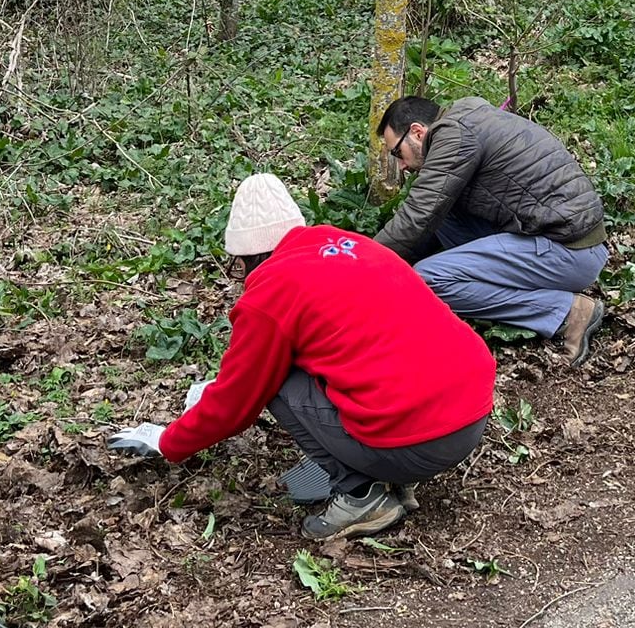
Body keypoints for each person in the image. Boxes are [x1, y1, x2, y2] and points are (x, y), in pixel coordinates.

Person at [109, 174, 497, 542]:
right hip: (471, 413)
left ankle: (363, 496)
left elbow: (236, 402)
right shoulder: (353, 246)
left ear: (250, 256)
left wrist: (169, 440)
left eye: (237, 265)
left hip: (419, 439)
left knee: (276, 380)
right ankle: (398, 473)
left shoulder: (271, 291)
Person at [373, 97, 608, 366]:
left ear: (417, 131)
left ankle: (567, 311)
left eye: (396, 153)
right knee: (443, 213)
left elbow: (416, 216)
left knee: (428, 279)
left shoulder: (454, 136)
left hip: (570, 252)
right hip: (564, 240)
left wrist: (360, 267)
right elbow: (426, 218)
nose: (401, 165)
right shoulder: (467, 118)